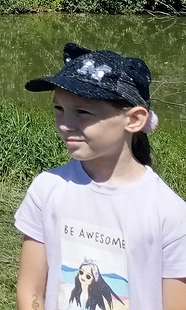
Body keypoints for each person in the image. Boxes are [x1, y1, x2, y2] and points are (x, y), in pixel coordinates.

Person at [15, 44, 186, 310]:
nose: (64, 123)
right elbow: (31, 289)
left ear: (134, 119)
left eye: (82, 112)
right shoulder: (47, 189)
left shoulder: (169, 213)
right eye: (58, 108)